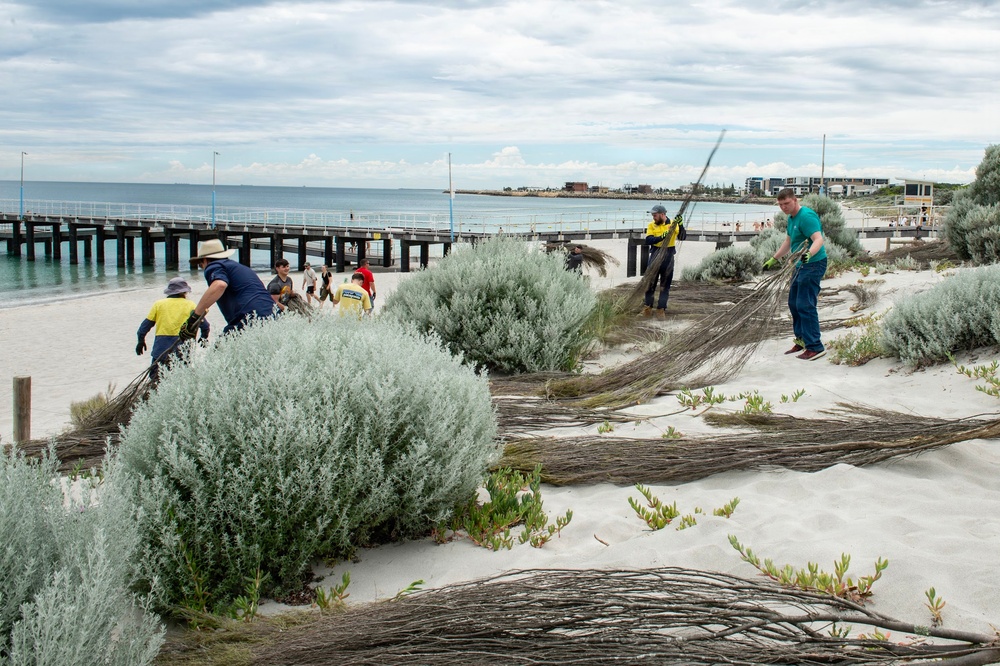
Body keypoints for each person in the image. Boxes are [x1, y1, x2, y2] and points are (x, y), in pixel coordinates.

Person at [762, 188, 828, 361]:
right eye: (781, 205)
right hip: (800, 265)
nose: (784, 207)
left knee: (805, 304)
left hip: (813, 264)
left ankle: (815, 346)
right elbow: (789, 241)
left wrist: (809, 254)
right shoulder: (791, 219)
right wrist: (774, 259)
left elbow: (818, 239)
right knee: (793, 303)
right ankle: (802, 340)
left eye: (787, 203)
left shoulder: (806, 216)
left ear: (795, 200)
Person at [180, 238, 276, 339]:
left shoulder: (214, 266)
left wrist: (194, 317)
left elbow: (220, 285)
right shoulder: (239, 267)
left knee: (221, 352)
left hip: (247, 317)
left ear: (205, 260)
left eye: (200, 265)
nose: (202, 268)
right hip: (273, 314)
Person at [136, 277, 209, 382]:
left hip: (160, 349)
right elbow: (205, 326)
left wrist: (140, 341)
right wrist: (204, 337)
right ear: (184, 292)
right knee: (181, 380)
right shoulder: (190, 305)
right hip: (182, 349)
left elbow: (144, 328)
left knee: (156, 381)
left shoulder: (159, 304)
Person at [642, 205, 686, 319]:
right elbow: (648, 240)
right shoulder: (651, 225)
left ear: (662, 214)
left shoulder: (673, 224)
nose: (653, 217)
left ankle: (661, 309)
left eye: (655, 215)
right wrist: (662, 237)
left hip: (668, 256)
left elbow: (682, 237)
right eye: (652, 215)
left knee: (665, 285)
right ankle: (648, 307)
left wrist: (681, 225)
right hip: (655, 254)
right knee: (650, 284)